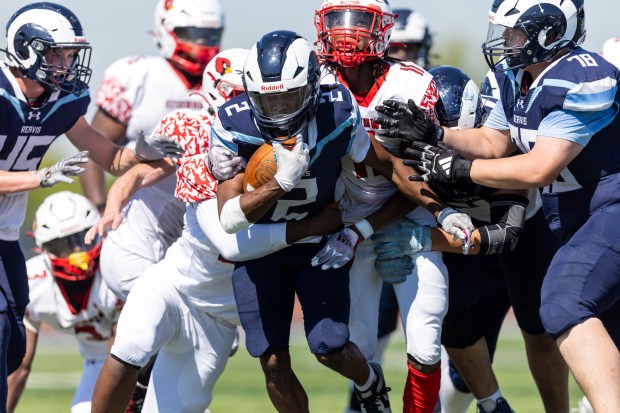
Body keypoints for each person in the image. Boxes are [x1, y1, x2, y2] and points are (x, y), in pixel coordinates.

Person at [376, 1, 620, 411]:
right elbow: (493, 143)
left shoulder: (583, 76)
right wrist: (440, 134)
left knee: (564, 300)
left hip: (609, 207)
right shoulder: (512, 77)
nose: (506, 41)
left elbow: (541, 168)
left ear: (549, 31)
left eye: (515, 32)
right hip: (579, 217)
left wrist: (462, 170)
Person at [211, 29, 472, 413]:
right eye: (266, 101)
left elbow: (390, 167)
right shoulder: (235, 123)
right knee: (271, 360)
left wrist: (441, 210)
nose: (279, 111)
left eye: (288, 97)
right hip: (263, 247)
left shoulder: (337, 111)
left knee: (329, 348)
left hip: (320, 243)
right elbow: (229, 220)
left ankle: (370, 384)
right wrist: (281, 181)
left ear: (314, 87)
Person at [0, 4, 178, 411]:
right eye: (56, 53)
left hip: (6, 237)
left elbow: (111, 158)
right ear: (26, 48)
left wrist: (142, 150)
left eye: (69, 54)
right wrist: (39, 178)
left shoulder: (60, 101)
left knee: (10, 354)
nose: (66, 63)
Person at [374, 66, 568, 413]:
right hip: (457, 231)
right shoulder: (411, 144)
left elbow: (507, 234)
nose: (436, 148)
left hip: (518, 232)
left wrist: (424, 239)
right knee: (453, 320)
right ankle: (493, 404)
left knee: (540, 326)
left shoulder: (499, 147)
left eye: (445, 137)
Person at [312, 2, 474, 412]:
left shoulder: (414, 84)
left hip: (411, 210)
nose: (347, 31)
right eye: (337, 20)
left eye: (359, 21)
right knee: (358, 347)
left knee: (424, 339)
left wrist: (436, 214)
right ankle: (373, 399)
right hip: (345, 217)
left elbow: (419, 177)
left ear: (382, 29)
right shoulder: (314, 79)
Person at [81, 0, 225, 210]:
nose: (203, 43)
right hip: (142, 208)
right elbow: (92, 152)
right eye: (193, 34)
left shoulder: (225, 79)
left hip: (206, 209)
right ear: (166, 30)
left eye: (211, 35)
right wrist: (100, 208)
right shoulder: (137, 76)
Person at [7, 191, 119, 413]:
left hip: (151, 359)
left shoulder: (115, 268)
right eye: (62, 245)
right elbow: (19, 368)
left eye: (82, 238)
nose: (76, 253)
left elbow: (129, 353)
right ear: (42, 248)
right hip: (97, 362)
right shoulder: (33, 283)